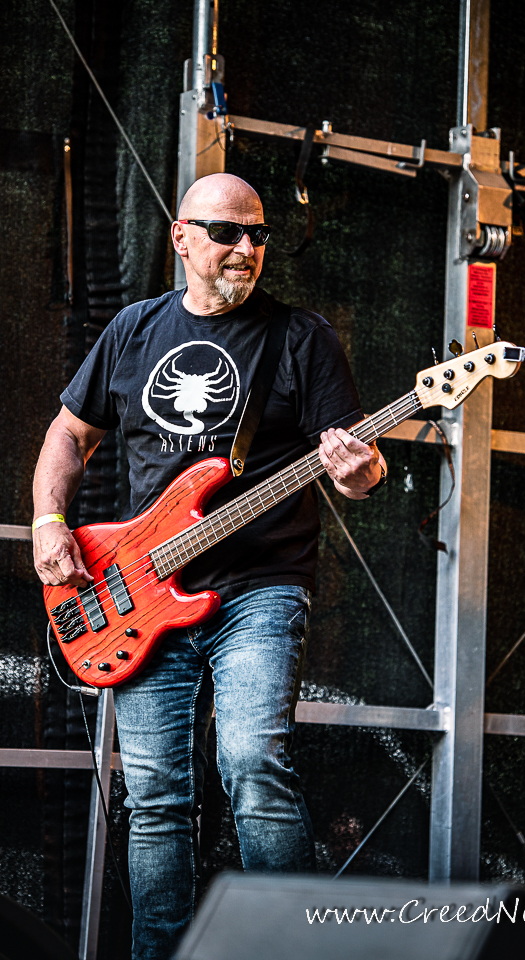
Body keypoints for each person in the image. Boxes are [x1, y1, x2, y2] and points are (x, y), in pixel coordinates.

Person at [32, 173, 386, 960]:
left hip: (260, 587)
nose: (246, 248)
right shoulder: (133, 328)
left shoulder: (300, 338)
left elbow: (360, 469)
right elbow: (68, 434)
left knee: (252, 762)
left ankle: (286, 950)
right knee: (155, 795)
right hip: (138, 588)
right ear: (182, 238)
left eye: (258, 235)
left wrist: (359, 471)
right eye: (227, 233)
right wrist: (49, 523)